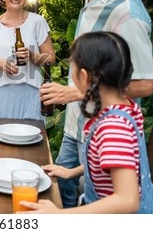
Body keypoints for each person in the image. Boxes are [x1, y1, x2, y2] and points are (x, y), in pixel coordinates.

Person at [39, 0, 153, 207]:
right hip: (80, 126)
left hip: (105, 128)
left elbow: (147, 82)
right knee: (60, 190)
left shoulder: (128, 15)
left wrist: (77, 93)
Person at [21, 32, 153, 213]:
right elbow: (113, 160)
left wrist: (59, 215)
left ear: (83, 76)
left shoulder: (113, 126)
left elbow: (128, 200)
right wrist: (71, 172)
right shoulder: (125, 108)